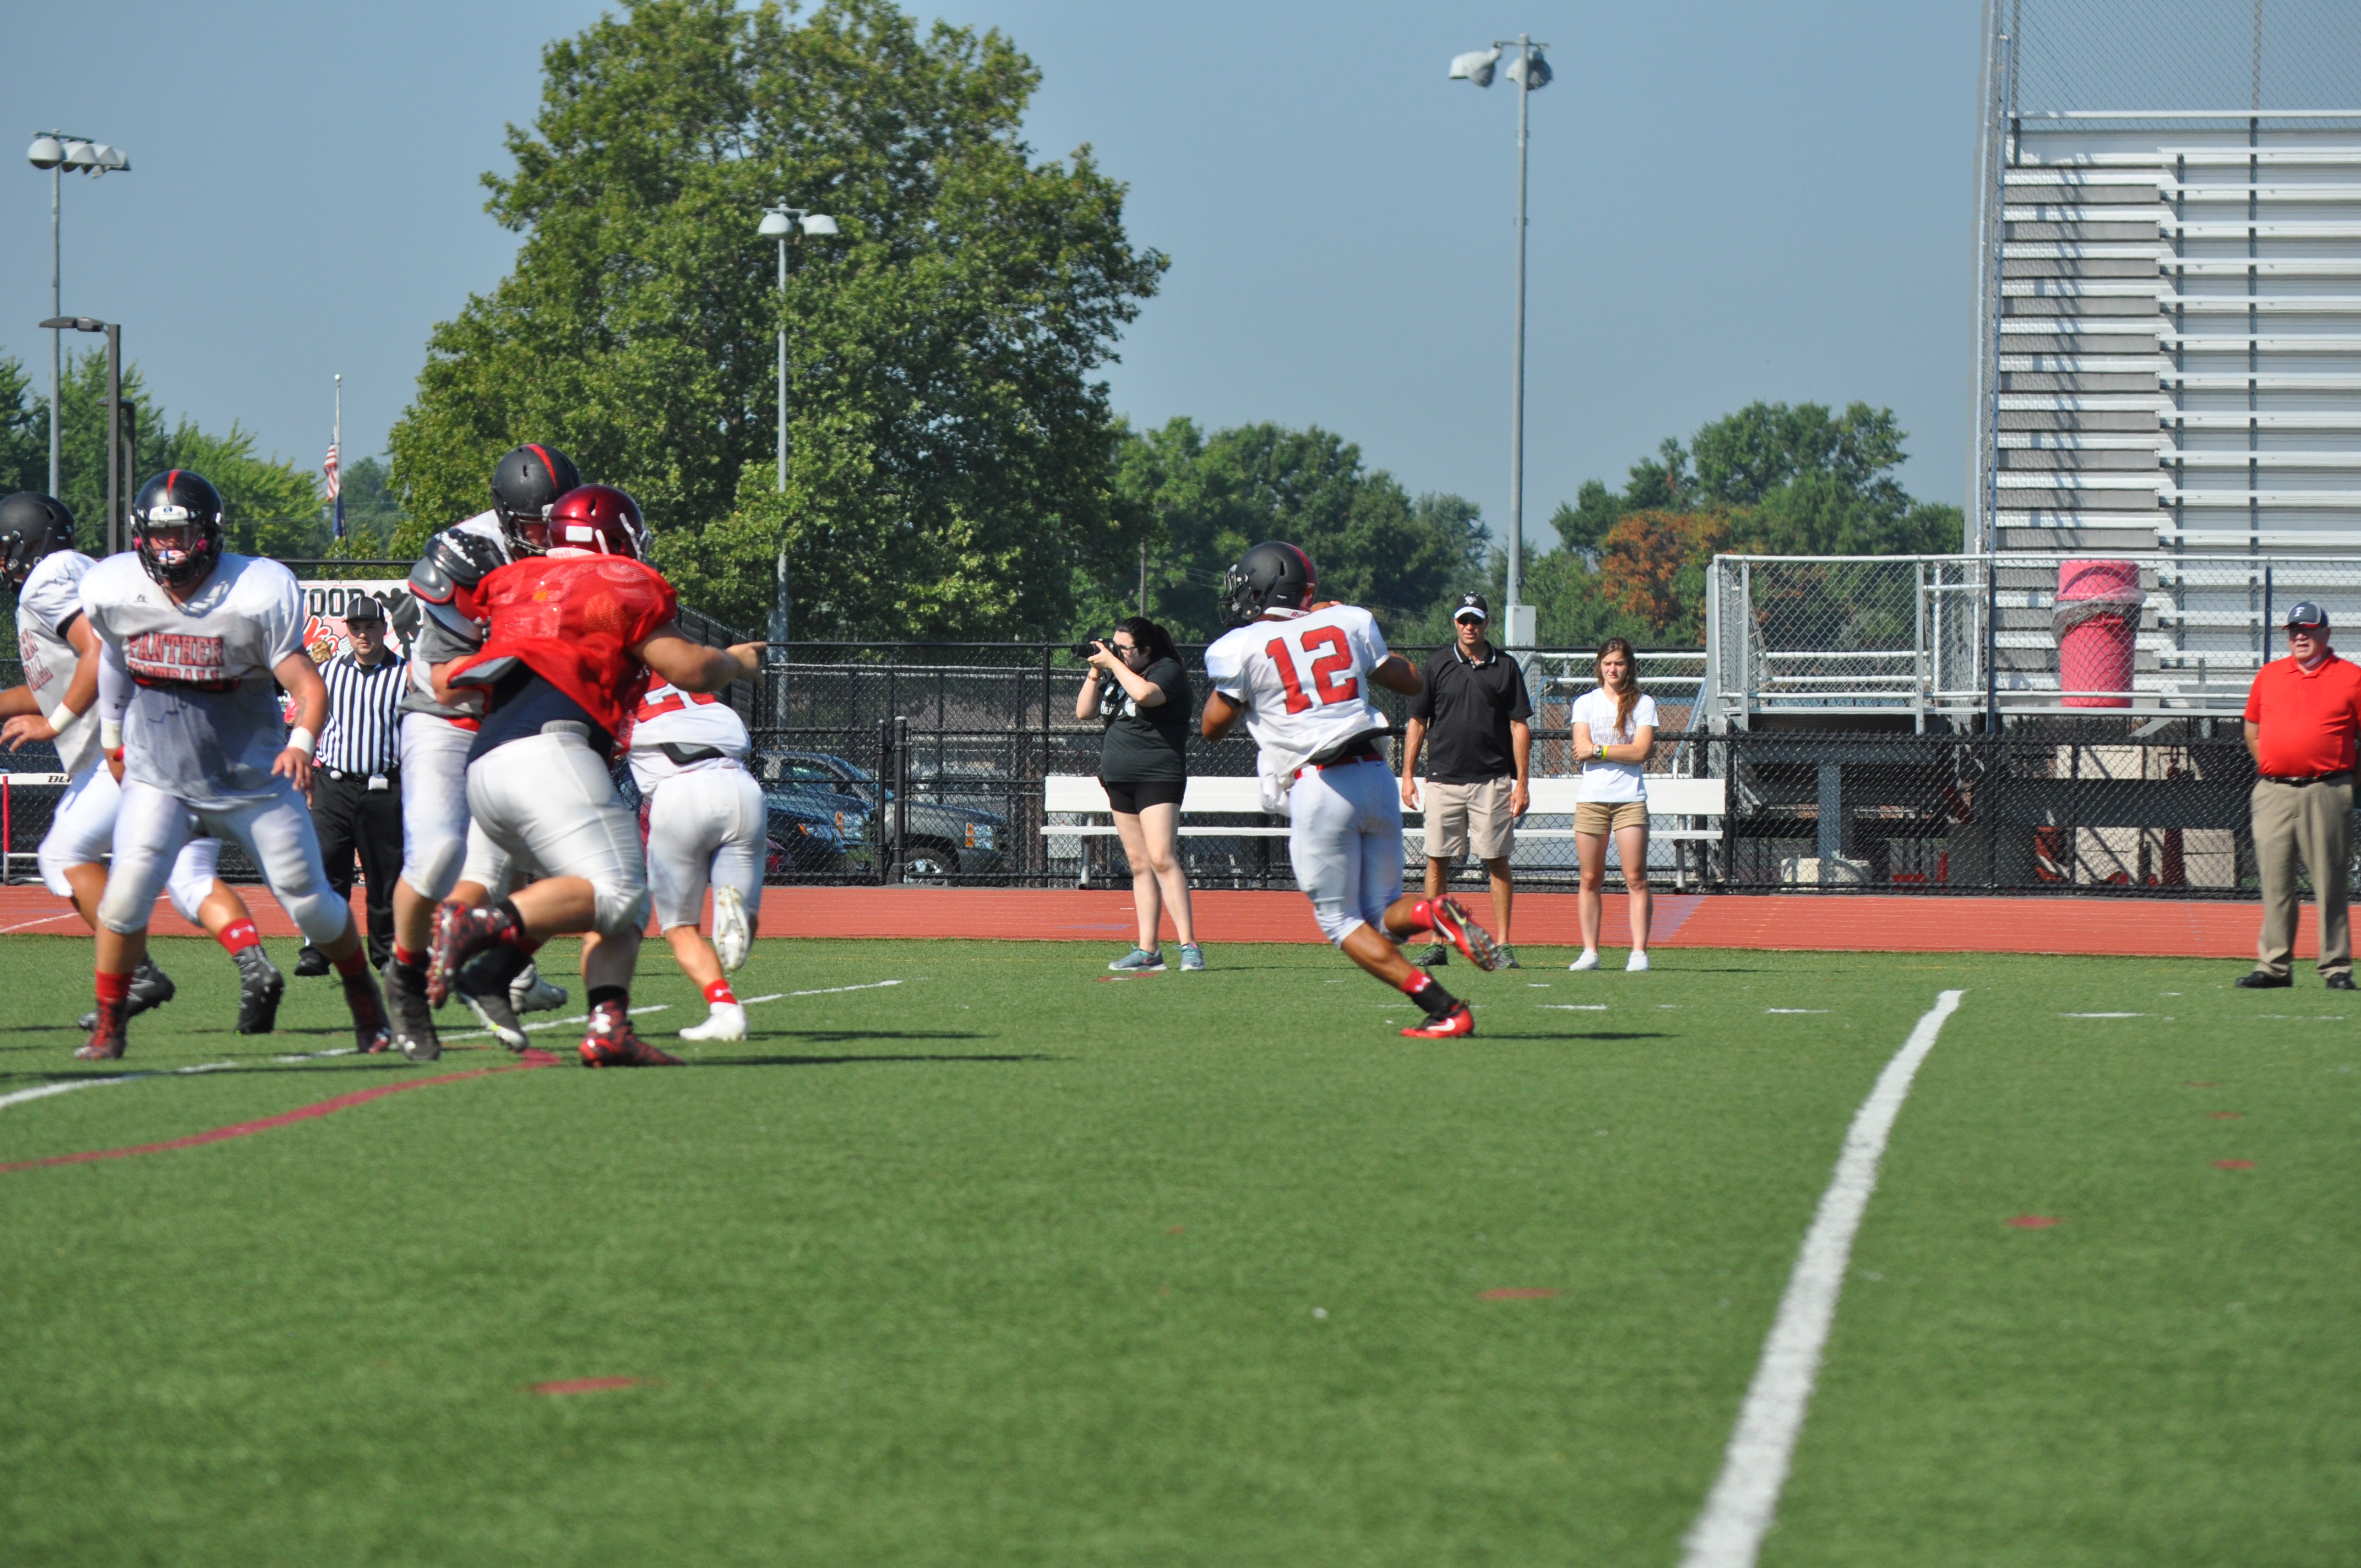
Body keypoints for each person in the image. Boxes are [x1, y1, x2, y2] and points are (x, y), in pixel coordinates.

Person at [422, 483, 764, 1067]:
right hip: (551, 751)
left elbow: (448, 680)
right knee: (621, 889)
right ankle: (476, 926)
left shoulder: (519, 582)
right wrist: (736, 660)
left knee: (621, 900)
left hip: (487, 760)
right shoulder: (618, 584)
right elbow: (686, 667)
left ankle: (607, 1025)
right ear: (618, 537)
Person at [75, 470, 390, 1059]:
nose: (171, 549)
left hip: (252, 779)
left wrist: (300, 742)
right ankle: (111, 1024)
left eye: (183, 534)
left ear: (210, 534)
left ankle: (364, 999)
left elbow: (308, 685)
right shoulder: (116, 590)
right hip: (161, 778)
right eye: (160, 536)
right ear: (141, 537)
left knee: (312, 904)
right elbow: (115, 660)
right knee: (123, 899)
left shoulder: (255, 592)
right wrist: (114, 737)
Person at [0, 490, 289, 1036]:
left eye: (6, 546)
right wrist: (38, 710)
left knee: (62, 855)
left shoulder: (53, 575)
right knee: (188, 875)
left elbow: (97, 652)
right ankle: (255, 965)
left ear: (28, 541)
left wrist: (56, 724)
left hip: (131, 749)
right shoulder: (80, 578)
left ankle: (138, 975)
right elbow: (50, 684)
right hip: (176, 739)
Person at [1200, 540, 1502, 1038]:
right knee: (1381, 916)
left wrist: (1249, 687)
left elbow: (1212, 726)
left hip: (1319, 785)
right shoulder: (1348, 621)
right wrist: (1350, 640)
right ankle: (1431, 913)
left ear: (1261, 589)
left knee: (1342, 923)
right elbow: (1410, 683)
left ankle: (1447, 1007)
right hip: (1375, 776)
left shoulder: (1240, 646)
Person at [379, 444, 578, 1060]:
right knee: (439, 854)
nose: (549, 540)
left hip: (518, 717)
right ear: (505, 516)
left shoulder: (579, 546)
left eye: (558, 524)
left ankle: (496, 973)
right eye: (535, 526)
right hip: (449, 717)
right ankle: (405, 980)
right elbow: (443, 680)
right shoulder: (467, 556)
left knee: (571, 869)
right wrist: (525, 651)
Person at [1399, 591, 1533, 970]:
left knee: (1496, 860)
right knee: (1437, 861)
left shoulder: (1505, 667)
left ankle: (1504, 944)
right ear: (1455, 623)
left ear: (1487, 623)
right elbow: (1418, 721)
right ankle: (1437, 941)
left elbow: (1519, 725)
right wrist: (1408, 775)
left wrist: (1521, 782)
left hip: (1492, 780)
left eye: (1476, 620)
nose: (1470, 627)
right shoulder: (1437, 664)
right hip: (1443, 780)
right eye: (1463, 620)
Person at [627, 674, 765, 1041]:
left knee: (680, 926)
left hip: (679, 795)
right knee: (742, 907)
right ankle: (736, 910)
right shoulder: (701, 692)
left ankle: (725, 1008)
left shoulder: (621, 693)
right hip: (742, 788)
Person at [2239, 600, 2361, 990]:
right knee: (2275, 882)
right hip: (2274, 793)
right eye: (2294, 631)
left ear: (2326, 634)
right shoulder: (2270, 675)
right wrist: (2274, 767)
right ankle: (2274, 967)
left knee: (2330, 882)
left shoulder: (2351, 678)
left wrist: (2347, 784)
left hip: (2327, 790)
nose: (2300, 636)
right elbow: (2252, 731)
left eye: (2307, 629)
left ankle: (2336, 967)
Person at [1078, 615, 1202, 972]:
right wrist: (1097, 672)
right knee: (1140, 865)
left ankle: (1189, 946)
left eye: (1125, 647)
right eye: (1114, 645)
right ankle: (1149, 951)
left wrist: (1114, 663)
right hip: (1119, 779)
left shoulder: (1166, 672)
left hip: (1157, 776)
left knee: (1162, 857)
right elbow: (1084, 712)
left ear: (1146, 650)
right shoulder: (1117, 673)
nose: (1117, 651)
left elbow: (1146, 696)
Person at [298, 592, 406, 975]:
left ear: (383, 629)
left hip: (384, 788)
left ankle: (386, 951)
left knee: (386, 876)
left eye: (370, 627)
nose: (363, 634)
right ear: (347, 630)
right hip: (334, 785)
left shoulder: (405, 675)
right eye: (356, 627)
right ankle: (318, 949)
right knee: (326, 867)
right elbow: (308, 720)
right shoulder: (326, 673)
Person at [1569, 636, 1658, 973]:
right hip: (1592, 800)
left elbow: (1640, 751)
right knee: (1590, 878)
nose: (1613, 669)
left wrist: (1601, 750)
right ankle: (1590, 951)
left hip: (1630, 801)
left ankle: (1638, 952)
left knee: (1635, 877)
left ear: (1629, 666)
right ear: (1600, 666)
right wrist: (1596, 749)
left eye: (1619, 663)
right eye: (1607, 663)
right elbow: (1580, 747)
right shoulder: (1586, 703)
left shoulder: (1644, 703)